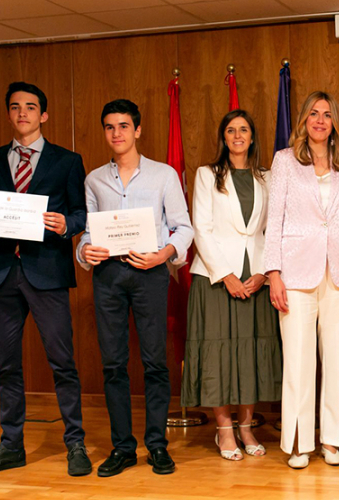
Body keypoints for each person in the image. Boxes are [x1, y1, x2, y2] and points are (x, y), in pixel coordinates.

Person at [0, 81, 91, 477]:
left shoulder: (67, 161)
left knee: (62, 362)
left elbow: (82, 214)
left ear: (43, 115)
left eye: (31, 107)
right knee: (6, 366)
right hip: (2, 272)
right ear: (9, 114)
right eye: (15, 107)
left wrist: (67, 224)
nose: (23, 113)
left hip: (47, 272)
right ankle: (11, 445)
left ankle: (75, 443)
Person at [77, 99, 194, 477]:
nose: (117, 133)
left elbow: (184, 227)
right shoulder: (94, 179)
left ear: (137, 130)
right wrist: (84, 251)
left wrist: (163, 255)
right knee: (113, 364)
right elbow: (88, 233)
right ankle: (123, 447)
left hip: (150, 275)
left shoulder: (164, 175)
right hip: (108, 277)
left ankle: (157, 445)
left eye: (124, 126)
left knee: (155, 362)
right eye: (110, 127)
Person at [264, 91, 339, 469]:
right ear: (304, 119)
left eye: (327, 114)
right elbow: (274, 220)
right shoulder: (285, 161)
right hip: (294, 272)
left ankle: (332, 441)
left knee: (337, 358)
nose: (320, 120)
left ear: (334, 122)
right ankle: (300, 443)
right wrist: (273, 273)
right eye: (314, 114)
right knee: (298, 360)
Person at [181, 109, 281, 461]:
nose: (237, 136)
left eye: (244, 130)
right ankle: (224, 431)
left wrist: (264, 272)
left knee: (250, 354)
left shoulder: (268, 177)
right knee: (219, 355)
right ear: (223, 138)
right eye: (231, 130)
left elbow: (274, 228)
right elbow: (201, 228)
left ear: (252, 137)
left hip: (256, 278)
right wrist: (226, 275)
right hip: (215, 278)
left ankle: (246, 427)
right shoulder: (207, 175)